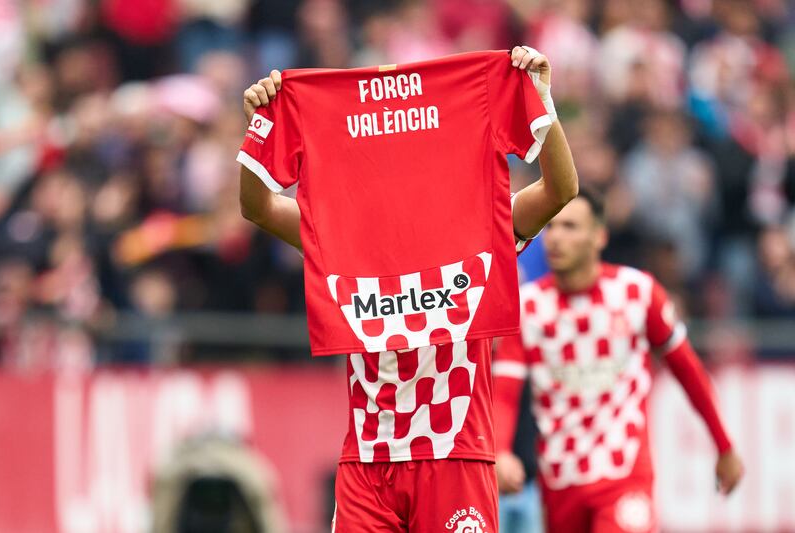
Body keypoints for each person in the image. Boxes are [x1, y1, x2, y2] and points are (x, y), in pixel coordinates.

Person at [239, 46, 578, 532]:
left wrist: (540, 101)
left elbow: (561, 190)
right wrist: (262, 126)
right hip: (368, 461)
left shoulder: (479, 225)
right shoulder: (342, 236)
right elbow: (258, 208)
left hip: (456, 455)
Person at [492, 187, 744, 533]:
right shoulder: (528, 307)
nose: (556, 238)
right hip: (560, 479)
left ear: (599, 236)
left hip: (624, 476)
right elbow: (504, 391)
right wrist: (500, 452)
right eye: (552, 227)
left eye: (570, 227)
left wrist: (724, 445)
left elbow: (688, 371)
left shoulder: (637, 293)